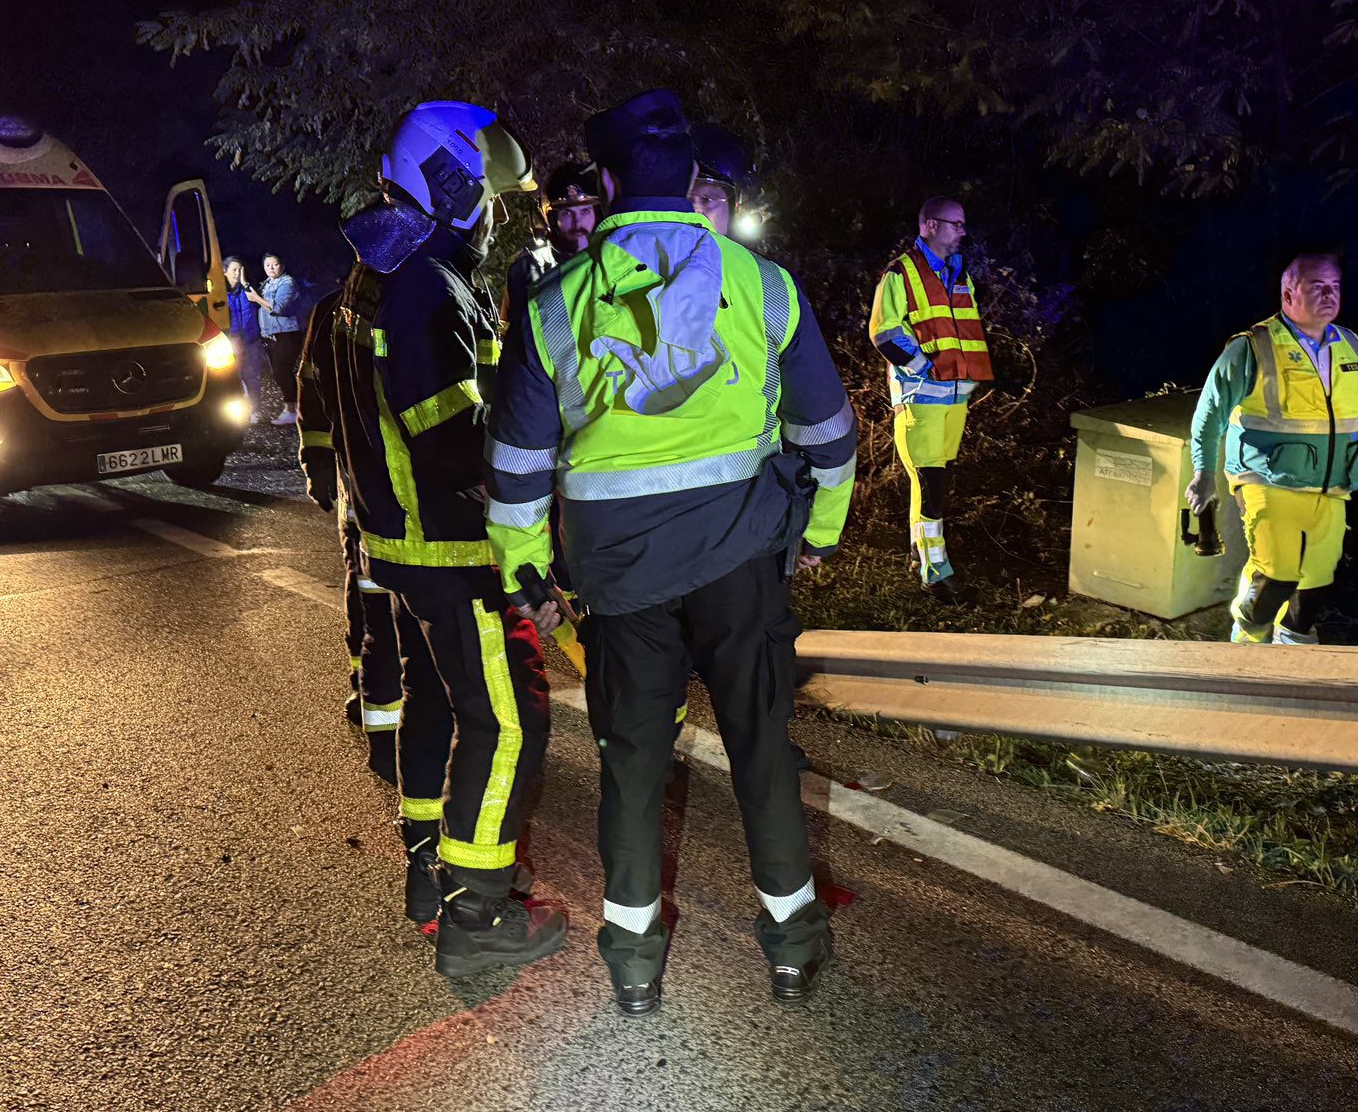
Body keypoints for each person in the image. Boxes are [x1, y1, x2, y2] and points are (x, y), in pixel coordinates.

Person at [485, 88, 857, 1016]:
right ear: (695, 181)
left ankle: (636, 960)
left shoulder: (551, 309)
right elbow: (832, 437)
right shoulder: (763, 286)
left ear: (605, 182)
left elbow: (519, 474)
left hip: (617, 588)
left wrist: (529, 579)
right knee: (762, 753)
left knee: (633, 765)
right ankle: (792, 947)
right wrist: (816, 535)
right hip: (742, 568)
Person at [326, 99, 566, 978]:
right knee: (509, 720)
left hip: (399, 544)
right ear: (451, 179)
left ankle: (429, 870)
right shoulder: (428, 279)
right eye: (486, 190)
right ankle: (478, 914)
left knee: (435, 705)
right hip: (450, 549)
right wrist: (536, 430)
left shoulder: (383, 264)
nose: (494, 210)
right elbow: (453, 439)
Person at [1188, 252, 1358, 645]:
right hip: (1267, 478)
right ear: (1288, 294)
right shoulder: (1253, 347)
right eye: (1317, 287)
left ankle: (1292, 653)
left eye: (1335, 287)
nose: (1329, 295)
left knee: (1315, 583)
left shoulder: (1353, 347)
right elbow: (1211, 413)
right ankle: (1246, 647)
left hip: (1331, 486)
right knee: (1275, 574)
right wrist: (1203, 472)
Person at [296, 279, 403, 780]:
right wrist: (317, 462)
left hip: (379, 489)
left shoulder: (414, 293)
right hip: (362, 487)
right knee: (370, 599)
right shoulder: (332, 311)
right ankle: (369, 696)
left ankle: (378, 703)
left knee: (376, 600)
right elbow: (312, 390)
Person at [868, 196, 992, 598]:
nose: (962, 232)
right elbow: (884, 332)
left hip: (956, 397)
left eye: (962, 224)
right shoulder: (900, 274)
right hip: (921, 396)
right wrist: (924, 368)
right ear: (929, 225)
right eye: (955, 224)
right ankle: (936, 572)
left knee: (934, 482)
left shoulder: (959, 275)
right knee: (931, 483)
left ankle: (919, 554)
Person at [501, 161, 598, 329]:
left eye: (585, 211)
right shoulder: (527, 269)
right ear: (551, 218)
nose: (578, 222)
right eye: (567, 213)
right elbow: (510, 336)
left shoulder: (611, 261)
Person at [254, 253, 304, 426]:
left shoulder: (287, 282)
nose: (271, 268)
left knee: (283, 371)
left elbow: (279, 307)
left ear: (282, 265)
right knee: (278, 372)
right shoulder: (267, 283)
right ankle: (293, 406)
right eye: (267, 265)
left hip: (287, 333)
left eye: (275, 264)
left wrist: (257, 299)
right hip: (270, 334)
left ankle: (293, 409)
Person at [688, 122, 757, 238]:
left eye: (707, 199)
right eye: (687, 200)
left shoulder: (743, 256)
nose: (695, 210)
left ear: (736, 207)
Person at [223, 254, 266, 421]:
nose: (237, 273)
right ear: (224, 271)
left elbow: (257, 301)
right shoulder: (219, 292)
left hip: (251, 339)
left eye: (240, 269)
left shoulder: (247, 289)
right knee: (232, 377)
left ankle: (254, 411)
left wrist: (245, 284)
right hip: (231, 340)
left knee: (252, 375)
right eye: (234, 270)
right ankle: (234, 413)